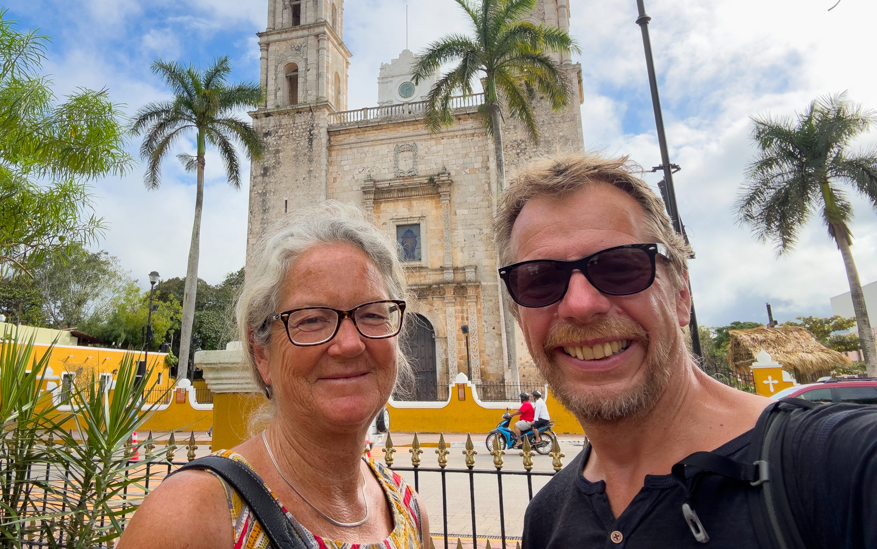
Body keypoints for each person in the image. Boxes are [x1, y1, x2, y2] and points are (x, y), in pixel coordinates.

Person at [493, 153, 877, 548]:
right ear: (518, 316)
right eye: (538, 279)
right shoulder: (545, 518)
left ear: (681, 293)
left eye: (619, 266)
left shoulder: (841, 467)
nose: (580, 304)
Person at [120, 203, 430, 549]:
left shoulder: (408, 509)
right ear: (262, 353)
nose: (349, 343)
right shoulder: (191, 515)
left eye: (372, 315)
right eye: (311, 320)